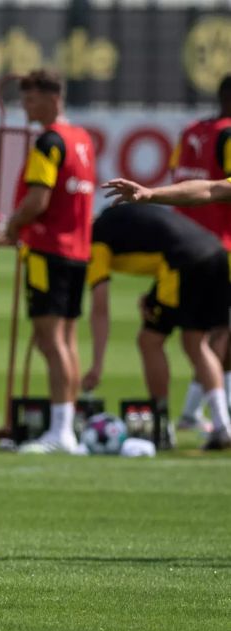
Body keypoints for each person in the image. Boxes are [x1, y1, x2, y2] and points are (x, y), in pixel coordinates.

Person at [108, 76, 231, 434]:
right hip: (216, 250)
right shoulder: (227, 135)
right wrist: (149, 196)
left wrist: (152, 195)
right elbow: (211, 189)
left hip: (183, 249)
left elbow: (200, 186)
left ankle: (192, 416)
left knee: (190, 337)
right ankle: (210, 419)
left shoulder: (193, 131)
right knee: (212, 335)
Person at [81, 203, 231, 451]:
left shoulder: (96, 238)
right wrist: (152, 299)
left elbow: (100, 306)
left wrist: (97, 364)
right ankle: (223, 426)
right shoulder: (119, 220)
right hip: (215, 253)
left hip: (183, 262)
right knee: (196, 343)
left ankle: (162, 427)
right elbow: (160, 242)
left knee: (149, 341)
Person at [4, 69, 96, 454]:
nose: (25, 106)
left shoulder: (49, 142)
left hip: (48, 250)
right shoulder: (82, 139)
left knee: (50, 340)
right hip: (78, 251)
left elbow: (38, 200)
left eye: (31, 99)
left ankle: (61, 431)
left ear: (53, 98)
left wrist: (12, 225)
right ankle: (67, 426)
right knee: (68, 340)